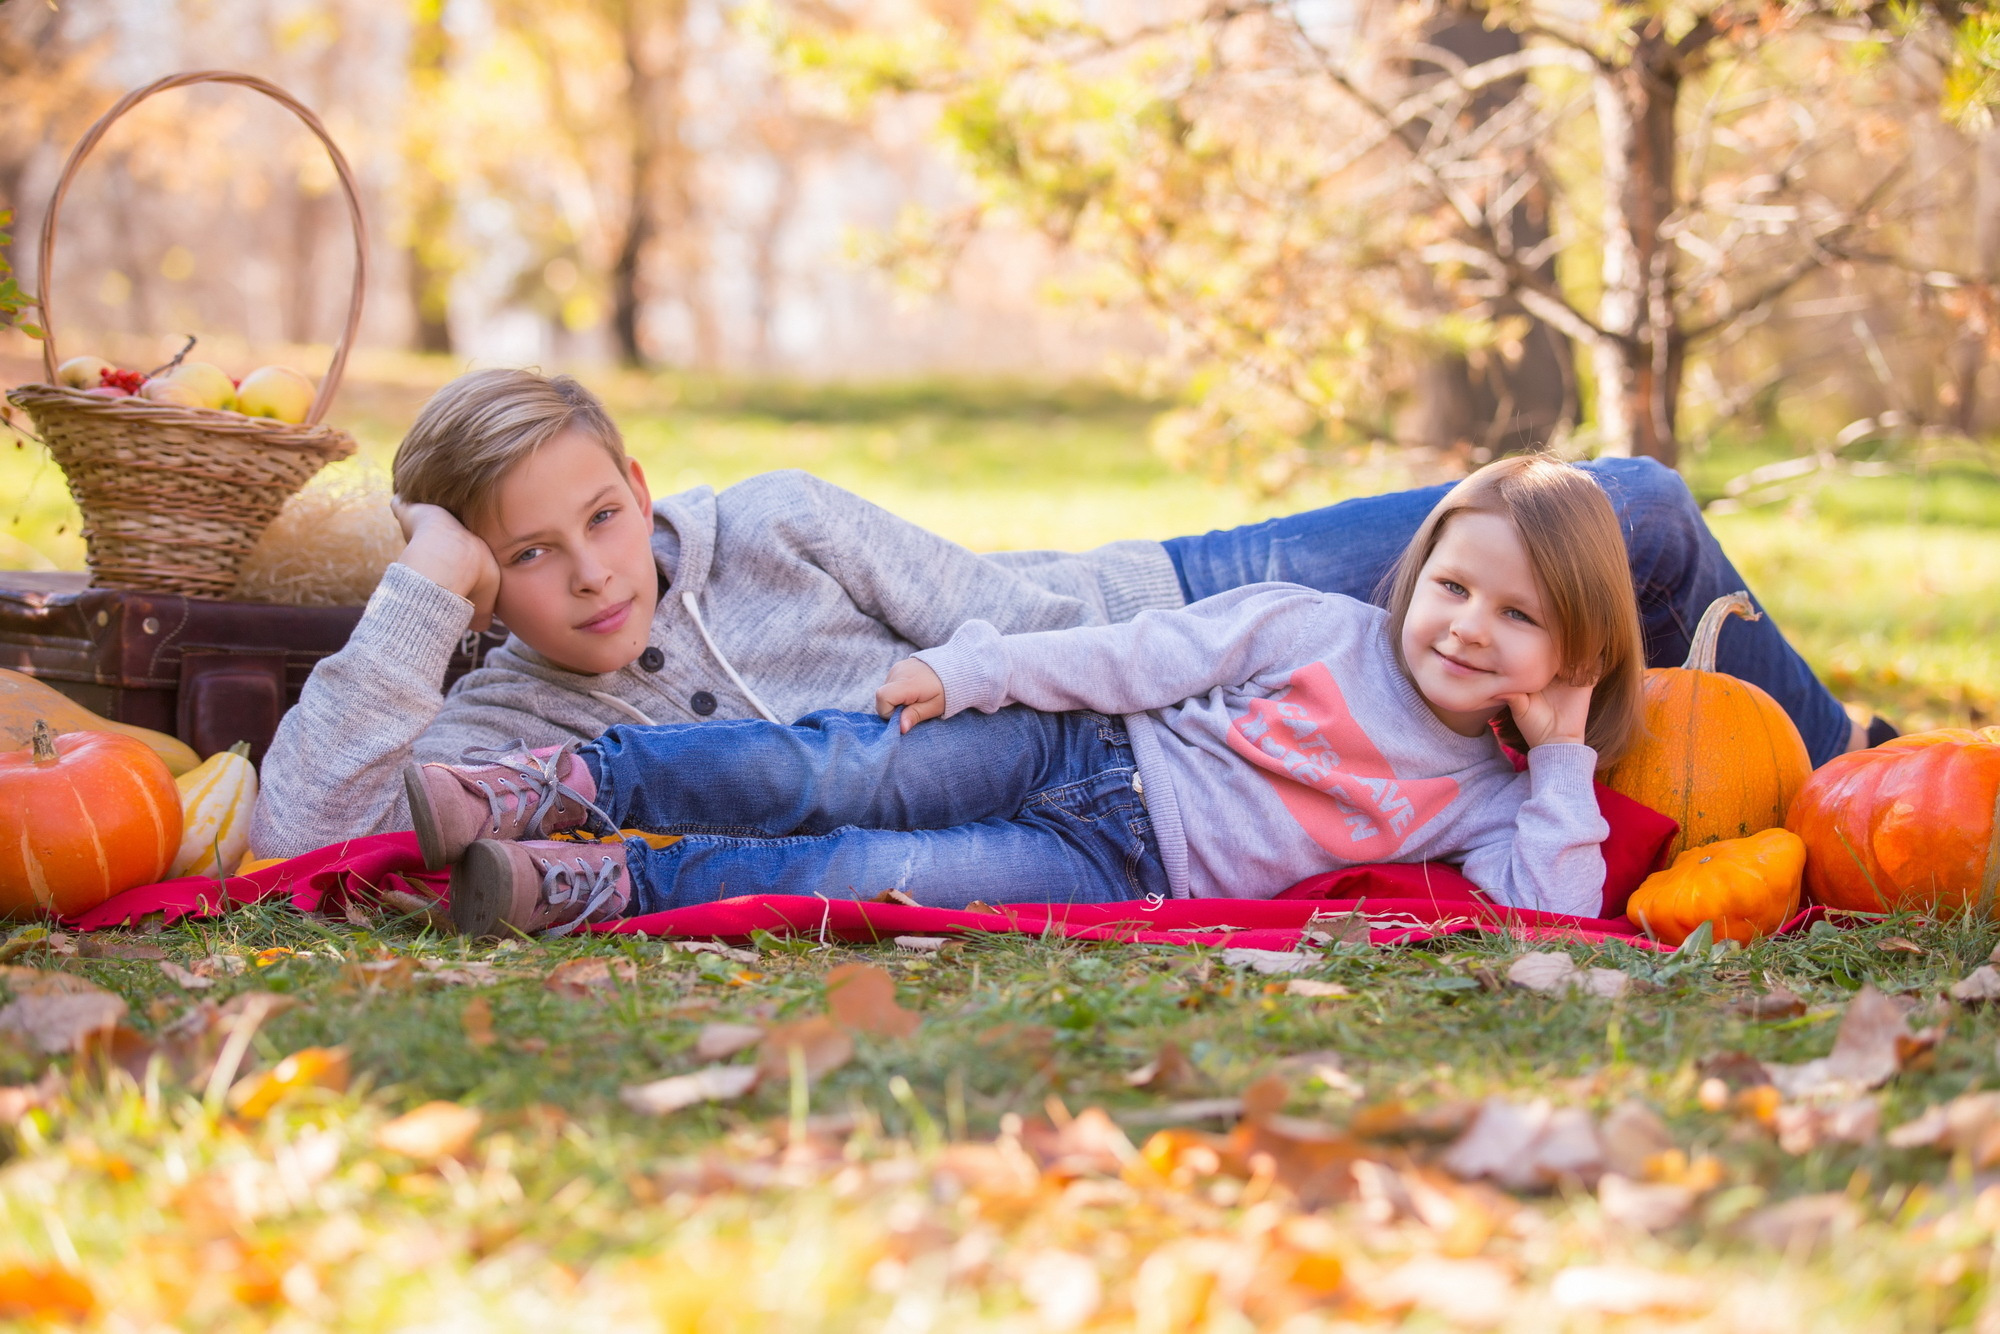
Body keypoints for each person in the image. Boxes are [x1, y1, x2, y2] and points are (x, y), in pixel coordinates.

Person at [249, 368, 1874, 861]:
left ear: (640, 474)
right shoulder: (512, 710)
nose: (596, 571)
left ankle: (1869, 786)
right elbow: (297, 830)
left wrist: (1267, 676)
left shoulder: (779, 520)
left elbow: (1011, 612)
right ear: (477, 577)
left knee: (1638, 508)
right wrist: (423, 589)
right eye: (528, 556)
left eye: (604, 511)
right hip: (1148, 762)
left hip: (1178, 624)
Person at [409, 454, 1646, 937]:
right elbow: (1139, 656)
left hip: (1120, 871)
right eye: (1453, 586)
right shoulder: (1313, 627)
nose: (1467, 628)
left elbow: (1555, 907)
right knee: (828, 768)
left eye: (1520, 615)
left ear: (1575, 653)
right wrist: (977, 670)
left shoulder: (1495, 797)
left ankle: (608, 880)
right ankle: (568, 785)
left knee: (862, 873)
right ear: (1416, 572)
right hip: (1073, 740)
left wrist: (1556, 761)